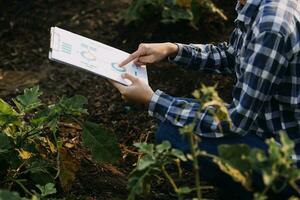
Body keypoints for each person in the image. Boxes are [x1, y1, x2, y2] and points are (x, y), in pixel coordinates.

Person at [111, 0, 300, 198]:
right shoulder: (259, 6)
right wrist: (173, 49)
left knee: (174, 131)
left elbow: (235, 121)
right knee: (183, 115)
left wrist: (151, 100)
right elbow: (234, 55)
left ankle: (262, 192)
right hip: (267, 126)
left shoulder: (272, 26)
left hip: (287, 163)